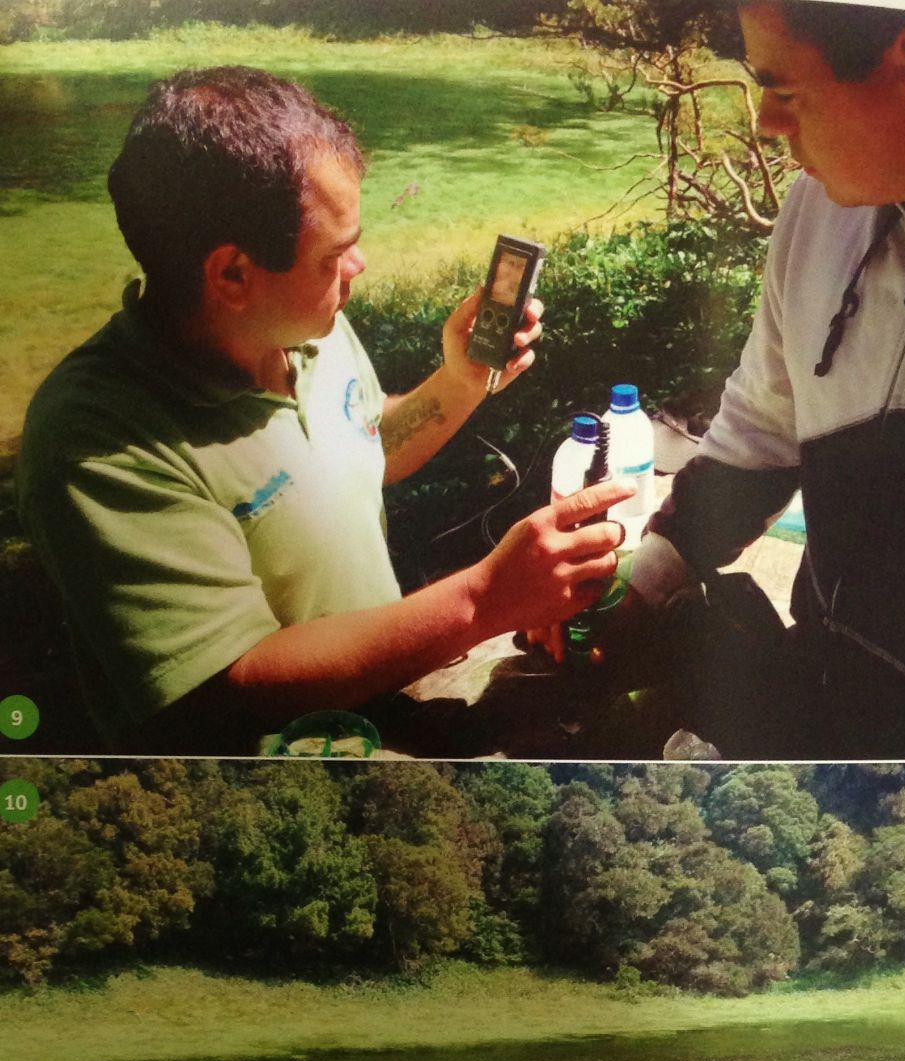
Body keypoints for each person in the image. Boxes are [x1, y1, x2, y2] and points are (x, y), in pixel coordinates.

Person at [16, 66, 631, 756]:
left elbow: (367, 446)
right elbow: (231, 686)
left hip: (382, 714)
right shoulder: (98, 439)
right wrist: (486, 600)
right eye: (335, 253)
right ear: (232, 275)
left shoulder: (306, 325)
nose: (358, 266)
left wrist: (459, 381)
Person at [539, 0, 905, 761]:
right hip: (821, 698)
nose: (763, 126)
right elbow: (761, 432)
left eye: (782, 91)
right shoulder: (820, 214)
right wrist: (640, 588)